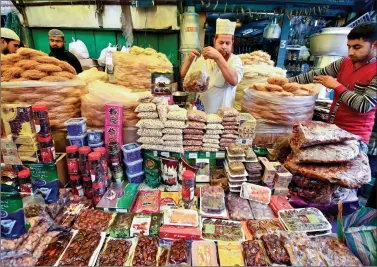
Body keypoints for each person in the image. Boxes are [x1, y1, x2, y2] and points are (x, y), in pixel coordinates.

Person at [289, 23, 377, 153]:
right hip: (332, 131)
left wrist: (336, 85)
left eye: (357, 47)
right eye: (349, 47)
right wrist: (284, 82)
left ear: (374, 45)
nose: (351, 52)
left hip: (355, 138)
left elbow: (364, 105)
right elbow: (314, 75)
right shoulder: (344, 62)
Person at [181, 18, 243, 113]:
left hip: (221, 116)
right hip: (201, 112)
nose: (224, 46)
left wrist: (218, 57)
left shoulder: (235, 60)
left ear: (232, 43)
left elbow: (234, 80)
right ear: (214, 41)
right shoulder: (205, 58)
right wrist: (189, 59)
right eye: (221, 42)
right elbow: (185, 75)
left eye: (228, 43)